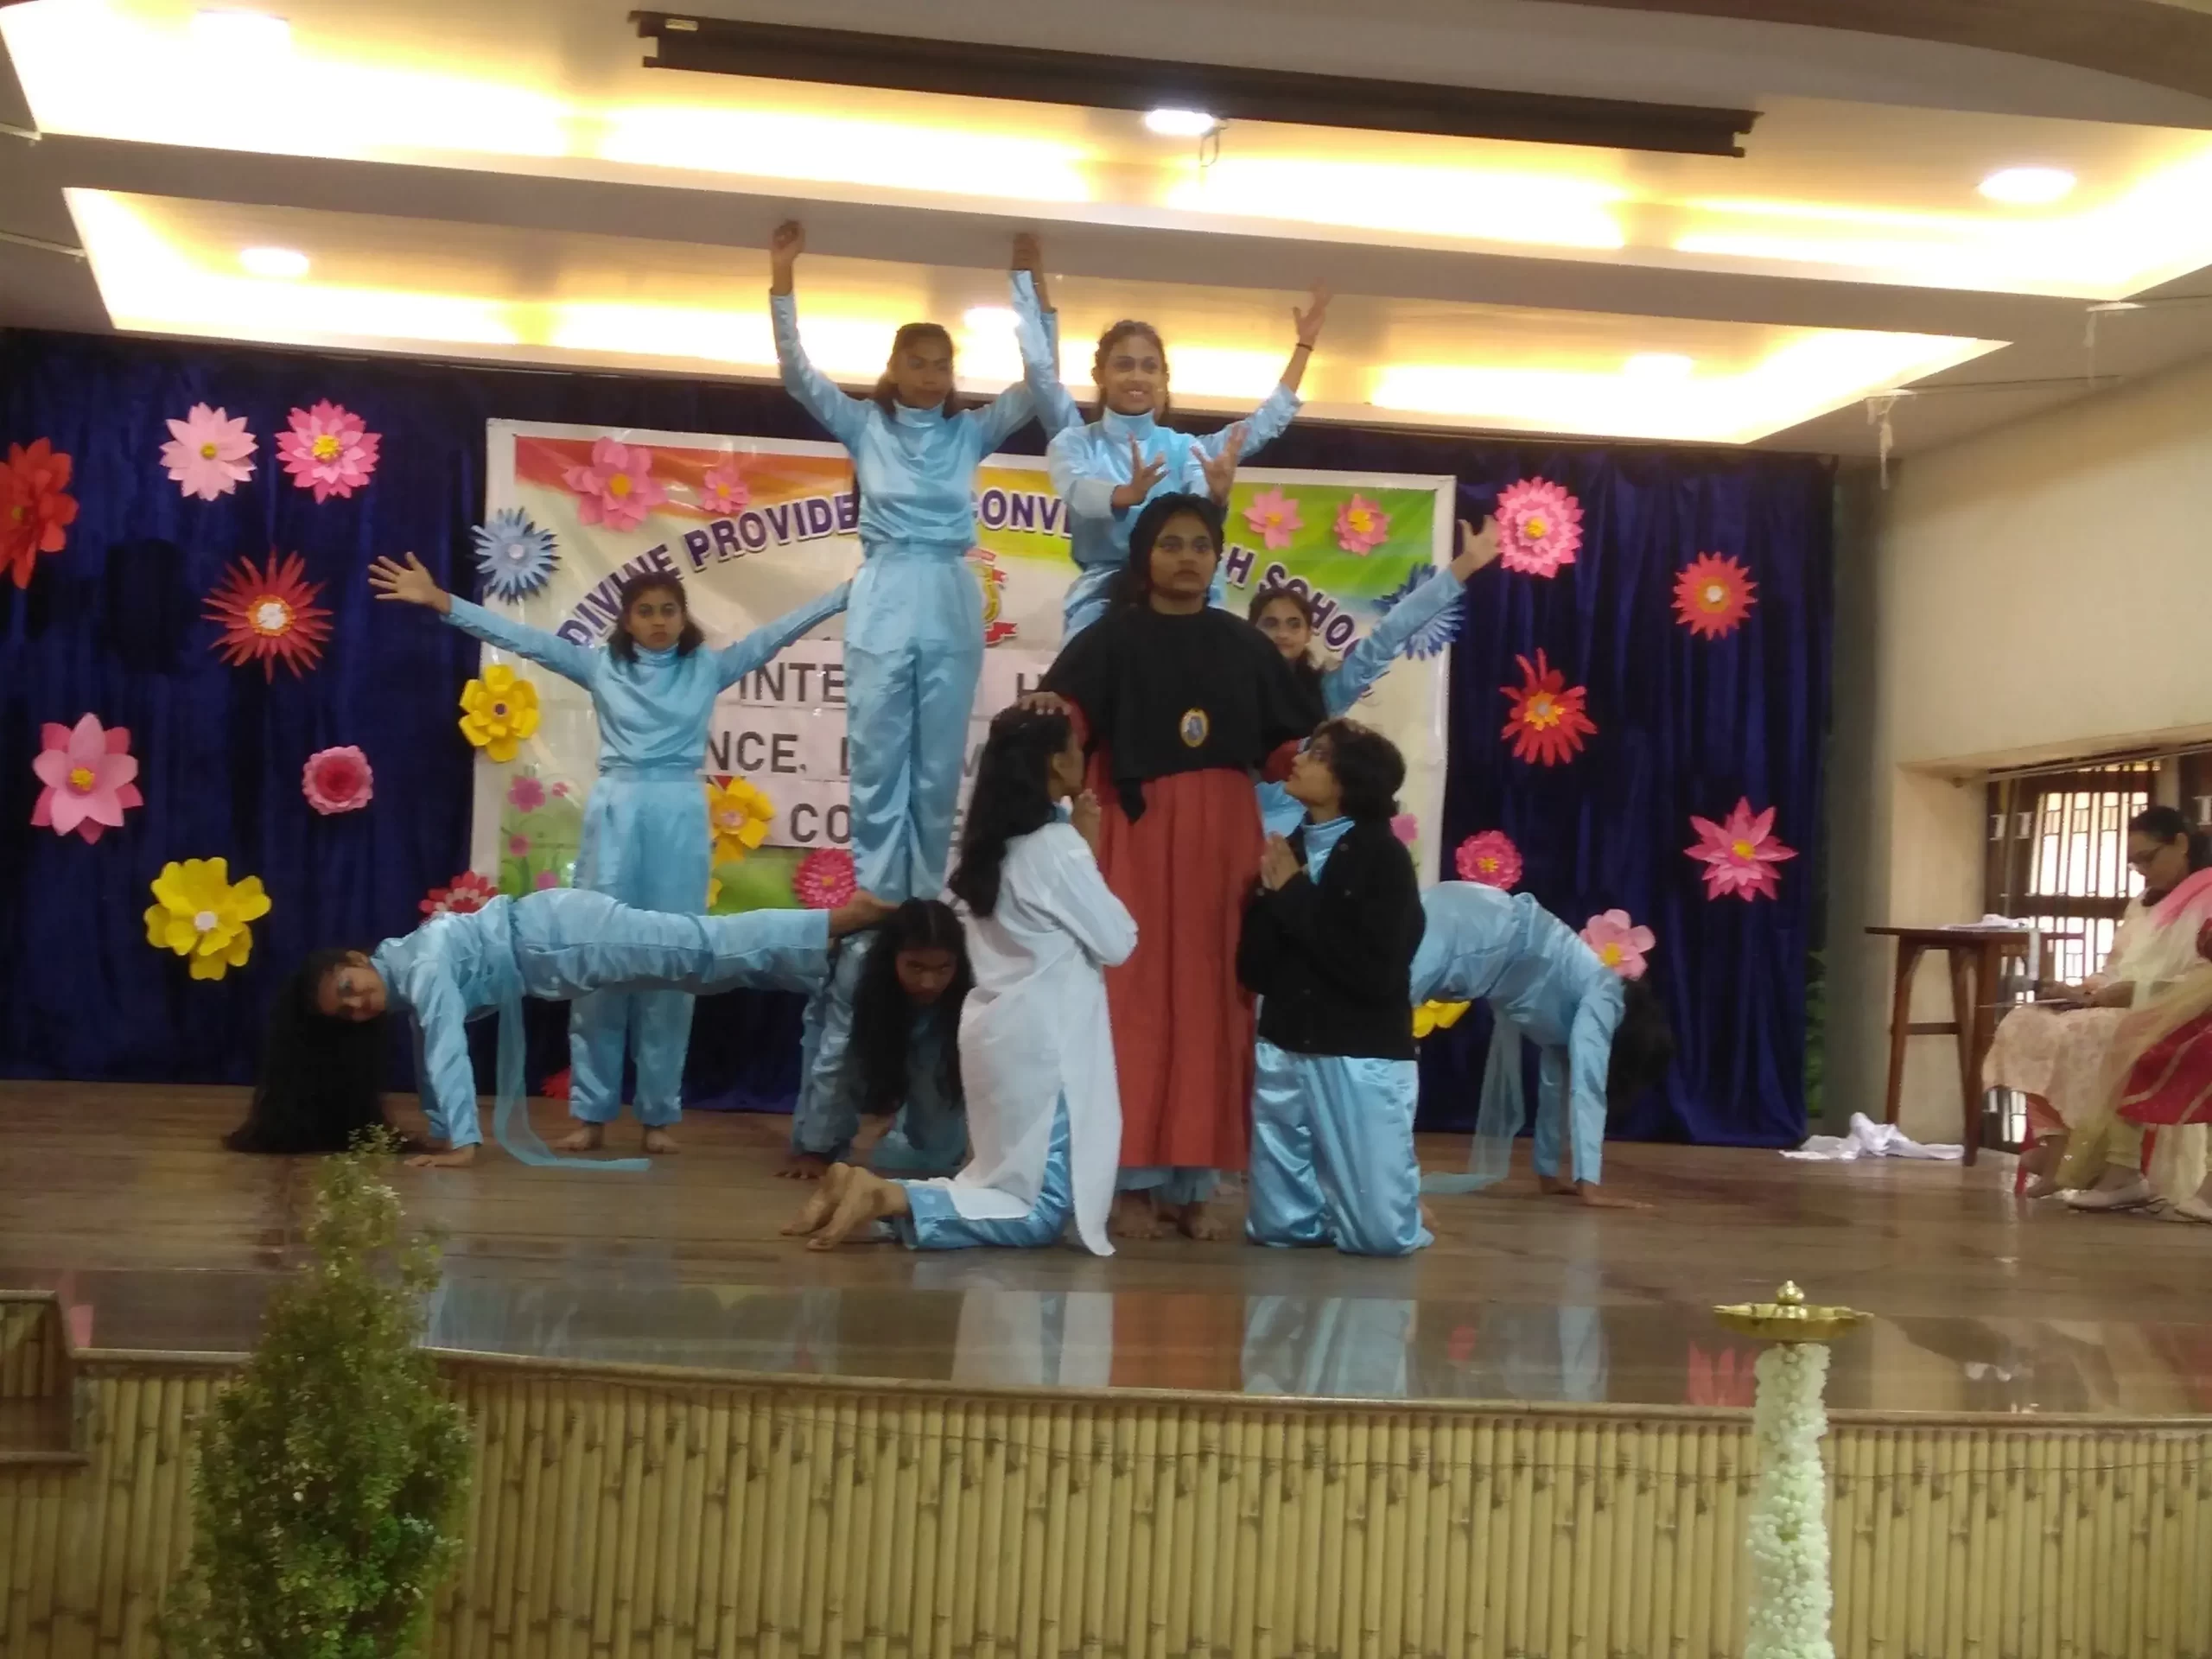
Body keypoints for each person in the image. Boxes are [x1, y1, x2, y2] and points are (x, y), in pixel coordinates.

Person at [369, 554, 849, 1157]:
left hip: (678, 814)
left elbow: (775, 634)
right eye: (645, 611)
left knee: (676, 959)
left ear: (684, 617)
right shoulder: (602, 667)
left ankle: (657, 1115)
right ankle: (592, 1113)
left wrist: (839, 597)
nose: (658, 621)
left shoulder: (707, 667)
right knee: (594, 962)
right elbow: (524, 639)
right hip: (616, 812)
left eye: (668, 610)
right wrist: (444, 602)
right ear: (625, 620)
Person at [768, 222, 1063, 1179]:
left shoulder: (971, 433)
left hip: (946, 590)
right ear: (893, 368)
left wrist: (1030, 291)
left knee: (939, 762)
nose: (932, 375)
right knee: (878, 748)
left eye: (943, 363)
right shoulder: (865, 425)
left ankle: (926, 889)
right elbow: (797, 376)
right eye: (917, 360)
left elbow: (1040, 387)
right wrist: (783, 279)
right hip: (885, 585)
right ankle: (879, 890)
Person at [1027, 493, 1326, 1239]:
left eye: (1200, 545)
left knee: (1213, 1000)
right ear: (1145, 556)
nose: (1187, 557)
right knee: (1129, 997)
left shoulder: (1245, 646)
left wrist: (1333, 775)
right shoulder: (1109, 640)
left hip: (1223, 837)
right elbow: (1066, 723)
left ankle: (1192, 1186)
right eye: (1171, 544)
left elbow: (1285, 748)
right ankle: (1124, 1180)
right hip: (1132, 830)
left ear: (1216, 557)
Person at [784, 705, 1135, 1254]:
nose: (1082, 757)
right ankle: (889, 1197)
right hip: (1049, 1049)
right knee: (1039, 1212)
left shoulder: (987, 849)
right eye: (1074, 747)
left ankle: (871, 1189)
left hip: (995, 1040)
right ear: (1055, 762)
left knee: (998, 1184)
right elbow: (1118, 940)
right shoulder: (1056, 846)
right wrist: (1085, 849)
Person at [238, 886, 894, 1171]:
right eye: (346, 1012)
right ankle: (823, 956)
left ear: (356, 961)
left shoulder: (421, 964)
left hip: (566, 936)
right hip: (560, 945)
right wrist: (443, 1129)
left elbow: (444, 1046)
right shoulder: (404, 972)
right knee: (698, 969)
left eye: (348, 988)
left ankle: (835, 923)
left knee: (697, 950)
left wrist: (461, 1142)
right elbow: (427, 1044)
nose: (358, 1005)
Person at [1009, 277, 1332, 637]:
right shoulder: (1075, 442)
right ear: (1099, 374)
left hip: (1188, 597)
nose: (1137, 376)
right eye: (1124, 365)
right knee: (1088, 667)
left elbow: (1263, 424)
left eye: (1149, 366)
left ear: (1163, 377)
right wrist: (1124, 495)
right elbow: (1077, 489)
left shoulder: (1183, 448)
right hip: (1102, 599)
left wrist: (1305, 346)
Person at [1236, 720, 1430, 1255]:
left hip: (1359, 1054)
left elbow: (1375, 972)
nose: (1299, 760)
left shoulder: (1382, 858)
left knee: (1381, 1238)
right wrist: (1270, 901)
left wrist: (1293, 896)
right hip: (1284, 1049)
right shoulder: (1288, 849)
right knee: (1278, 1230)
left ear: (1348, 779)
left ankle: (1390, 1198)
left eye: (1317, 755)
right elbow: (1255, 969)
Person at [1985, 805, 2212, 1201]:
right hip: (2119, 1001)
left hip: (2170, 1009)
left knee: (2095, 1033)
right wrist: (2084, 990)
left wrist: (2136, 992)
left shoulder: (2207, 895)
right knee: (2026, 1022)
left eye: (2148, 858)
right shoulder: (2142, 904)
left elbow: (2201, 980)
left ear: (2180, 843)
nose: (2142, 871)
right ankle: (2057, 1145)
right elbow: (2117, 966)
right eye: (2134, 863)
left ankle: (2104, 1164)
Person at [1410, 882, 1675, 1208]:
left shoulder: (1575, 1011)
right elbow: (1587, 1086)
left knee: (1381, 1003)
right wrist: (1589, 1184)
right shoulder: (1607, 995)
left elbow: (1554, 1087)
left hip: (1473, 922)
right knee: (1382, 1017)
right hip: (1477, 928)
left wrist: (1547, 1173)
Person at [1250, 516, 1499, 836]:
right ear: (1249, 630)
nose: (1282, 633)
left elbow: (1389, 634)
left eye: (1294, 624)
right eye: (1270, 623)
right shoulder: (1228, 685)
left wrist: (1463, 566)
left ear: (1309, 633)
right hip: (1225, 816)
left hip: (1298, 831)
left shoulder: (1327, 692)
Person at [785, 898, 971, 1178]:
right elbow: (836, 1064)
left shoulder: (973, 969)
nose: (929, 983)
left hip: (938, 1022)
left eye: (943, 968)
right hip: (866, 1018)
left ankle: (940, 1155)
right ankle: (820, 1145)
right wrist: (816, 1150)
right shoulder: (857, 966)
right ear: (892, 955)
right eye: (916, 967)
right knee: (838, 1066)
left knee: (939, 1103)